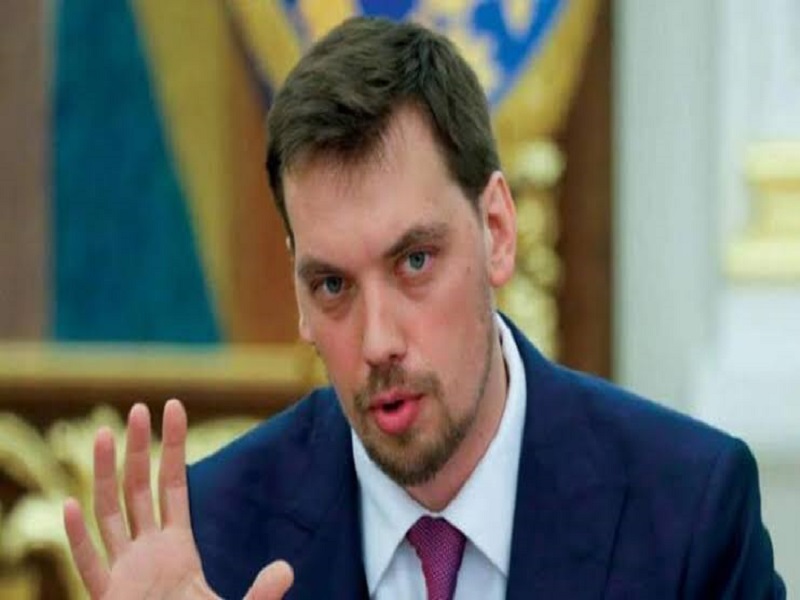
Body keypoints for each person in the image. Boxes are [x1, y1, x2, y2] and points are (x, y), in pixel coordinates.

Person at [63, 16, 785, 600]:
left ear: (497, 231)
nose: (378, 341)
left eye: (414, 262)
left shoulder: (687, 513)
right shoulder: (214, 540)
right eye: (333, 286)